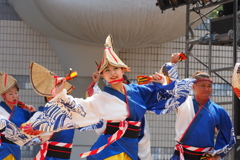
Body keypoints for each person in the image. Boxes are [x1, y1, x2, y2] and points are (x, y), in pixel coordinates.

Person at [21, 35, 195, 160]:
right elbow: (78, 107)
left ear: (124, 69)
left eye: (115, 69)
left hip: (132, 146)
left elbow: (167, 94)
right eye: (107, 71)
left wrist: (162, 81)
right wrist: (60, 94)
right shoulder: (101, 98)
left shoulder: (138, 91)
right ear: (102, 76)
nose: (112, 74)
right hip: (112, 146)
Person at [164, 54, 236, 160]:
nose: (206, 89)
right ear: (193, 86)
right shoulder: (183, 101)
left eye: (209, 86)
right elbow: (172, 87)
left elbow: (228, 135)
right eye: (202, 85)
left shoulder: (218, 110)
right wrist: (173, 63)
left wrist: (217, 156)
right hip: (182, 155)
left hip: (205, 157)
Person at [0, 71, 35, 160]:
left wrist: (33, 113)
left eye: (16, 93)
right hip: (2, 148)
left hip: (16, 148)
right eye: (11, 94)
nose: (14, 96)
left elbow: (33, 128)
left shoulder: (22, 111)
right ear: (3, 96)